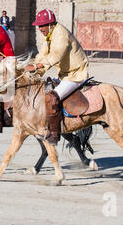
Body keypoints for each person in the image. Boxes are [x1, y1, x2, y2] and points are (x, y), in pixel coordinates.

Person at [24, 9, 89, 145]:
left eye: (42, 25)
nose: (40, 28)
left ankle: (54, 134)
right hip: (64, 75)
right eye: (39, 26)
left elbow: (55, 56)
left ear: (51, 24)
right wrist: (33, 71)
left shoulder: (61, 34)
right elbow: (43, 53)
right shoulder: (49, 34)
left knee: (51, 98)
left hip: (75, 75)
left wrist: (36, 67)